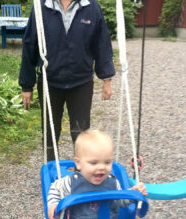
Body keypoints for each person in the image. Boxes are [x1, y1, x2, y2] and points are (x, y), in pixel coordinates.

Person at [19, 0, 115, 161]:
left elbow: (102, 43)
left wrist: (106, 79)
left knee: (80, 132)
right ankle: (51, 169)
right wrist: (26, 85)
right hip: (50, 82)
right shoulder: (41, 7)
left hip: (81, 82)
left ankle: (83, 172)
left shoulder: (90, 7)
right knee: (50, 132)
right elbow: (29, 45)